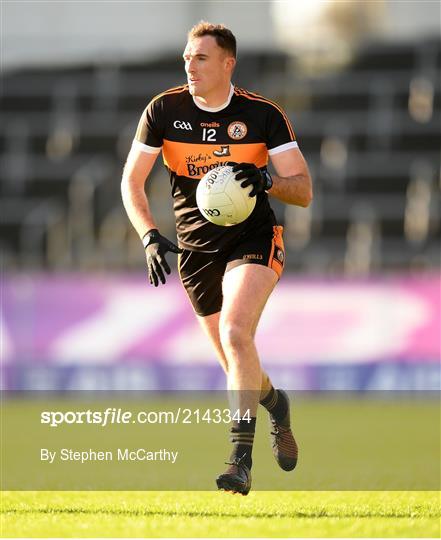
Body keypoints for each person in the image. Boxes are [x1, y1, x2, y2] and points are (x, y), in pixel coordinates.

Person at [121, 21, 313, 495]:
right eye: (187, 57)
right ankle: (275, 404)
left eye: (201, 58)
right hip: (195, 250)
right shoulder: (164, 110)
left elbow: (303, 190)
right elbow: (131, 181)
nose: (190, 65)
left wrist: (267, 180)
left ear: (228, 64)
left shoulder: (263, 115)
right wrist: (148, 235)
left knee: (235, 332)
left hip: (253, 238)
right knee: (235, 362)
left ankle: (239, 459)